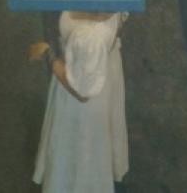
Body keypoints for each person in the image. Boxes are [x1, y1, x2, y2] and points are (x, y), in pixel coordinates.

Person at [29, 13, 129, 193]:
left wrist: (47, 53)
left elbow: (81, 92)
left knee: (79, 155)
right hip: (102, 75)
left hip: (81, 101)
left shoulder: (90, 36)